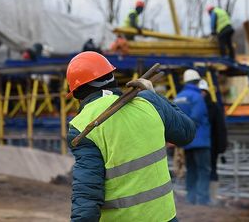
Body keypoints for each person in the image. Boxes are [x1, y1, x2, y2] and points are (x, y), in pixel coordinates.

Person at [66, 51, 196, 222]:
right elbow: (187, 133)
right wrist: (155, 95)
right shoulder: (149, 102)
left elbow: (87, 193)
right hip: (165, 217)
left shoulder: (83, 126)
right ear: (112, 77)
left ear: (77, 92)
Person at [173, 69, 211, 205]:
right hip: (200, 141)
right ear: (197, 81)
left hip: (186, 141)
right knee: (203, 170)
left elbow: (176, 118)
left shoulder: (179, 97)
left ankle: (191, 199)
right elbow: (197, 117)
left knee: (191, 170)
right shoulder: (197, 96)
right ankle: (202, 200)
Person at [197, 79, 227, 204]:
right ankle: (201, 197)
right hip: (199, 145)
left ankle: (211, 197)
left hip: (211, 146)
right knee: (199, 170)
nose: (201, 94)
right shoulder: (201, 106)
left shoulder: (213, 107)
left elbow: (220, 128)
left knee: (211, 170)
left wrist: (221, 147)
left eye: (203, 91)